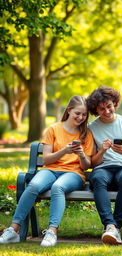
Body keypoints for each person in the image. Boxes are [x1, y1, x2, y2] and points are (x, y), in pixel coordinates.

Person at [0, 96, 94, 247]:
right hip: (50, 169)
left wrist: (82, 154)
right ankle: (13, 230)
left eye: (84, 115)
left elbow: (85, 166)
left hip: (74, 174)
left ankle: (52, 232)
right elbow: (46, 160)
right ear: (69, 110)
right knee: (33, 186)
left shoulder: (86, 134)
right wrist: (65, 150)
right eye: (78, 113)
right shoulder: (54, 129)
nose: (81, 117)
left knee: (58, 187)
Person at [87, 86, 122, 245]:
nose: (106, 111)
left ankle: (115, 226)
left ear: (115, 103)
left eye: (109, 106)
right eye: (101, 108)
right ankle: (109, 225)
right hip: (103, 168)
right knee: (97, 178)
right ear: (96, 110)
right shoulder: (91, 128)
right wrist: (102, 151)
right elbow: (93, 162)